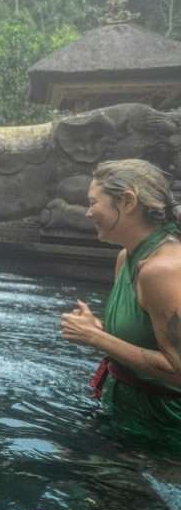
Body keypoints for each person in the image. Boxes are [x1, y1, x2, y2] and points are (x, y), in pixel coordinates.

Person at [60, 159, 181, 443]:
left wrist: (96, 338)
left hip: (163, 429)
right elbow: (144, 340)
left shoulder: (162, 271)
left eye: (93, 202)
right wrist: (99, 328)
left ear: (127, 202)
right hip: (125, 413)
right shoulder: (127, 257)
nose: (88, 213)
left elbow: (178, 370)